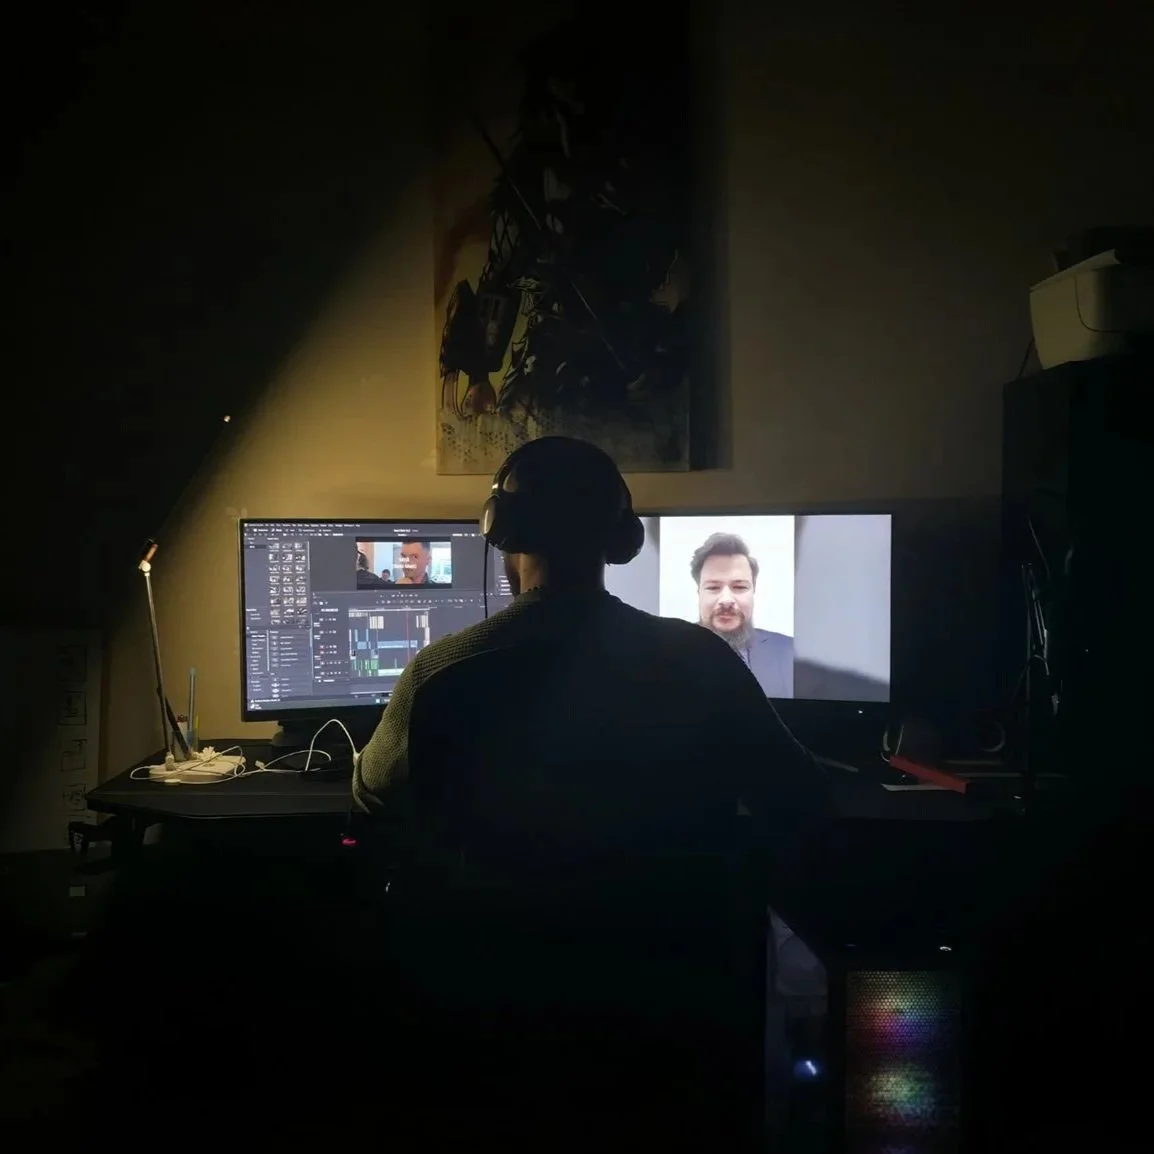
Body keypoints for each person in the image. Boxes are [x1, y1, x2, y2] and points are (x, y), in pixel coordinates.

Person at [353, 436, 828, 1150]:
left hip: (498, 1007)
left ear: (502, 534)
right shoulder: (700, 661)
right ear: (620, 541)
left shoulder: (442, 672)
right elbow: (800, 795)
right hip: (669, 1005)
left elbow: (372, 796)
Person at [692, 532, 794, 697]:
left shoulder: (791, 653)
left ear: (753, 591)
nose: (726, 600)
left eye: (739, 587)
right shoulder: (667, 654)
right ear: (699, 592)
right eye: (713, 587)